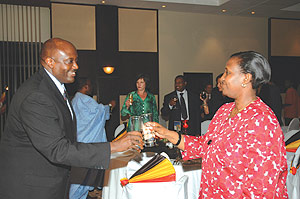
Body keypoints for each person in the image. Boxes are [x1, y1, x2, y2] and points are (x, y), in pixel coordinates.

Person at [0, 38, 143, 199]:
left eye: (76, 61)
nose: (76, 66)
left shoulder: (55, 88)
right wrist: (113, 146)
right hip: (33, 188)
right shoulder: (37, 95)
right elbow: (58, 149)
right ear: (50, 62)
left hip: (51, 181)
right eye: (70, 61)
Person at [148, 51, 288, 198]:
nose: (221, 78)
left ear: (246, 78)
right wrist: (167, 134)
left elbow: (262, 188)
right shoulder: (224, 110)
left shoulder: (262, 121)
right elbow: (206, 145)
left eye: (227, 72)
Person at [69, 78, 116, 199]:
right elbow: (100, 112)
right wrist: (111, 105)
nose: (91, 88)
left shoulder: (75, 100)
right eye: (90, 85)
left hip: (81, 142)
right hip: (87, 143)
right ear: (85, 86)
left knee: (83, 179)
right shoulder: (83, 100)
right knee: (81, 178)